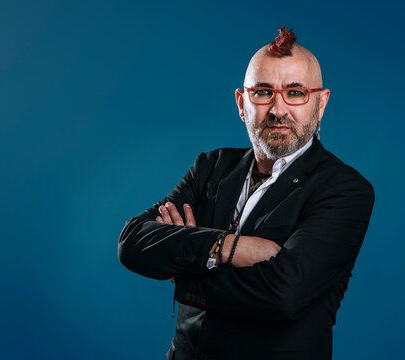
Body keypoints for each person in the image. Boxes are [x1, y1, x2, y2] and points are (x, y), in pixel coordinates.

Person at [118, 27, 374, 360]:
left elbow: (283, 294)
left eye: (295, 93)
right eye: (263, 92)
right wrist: (227, 247)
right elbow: (132, 242)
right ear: (242, 102)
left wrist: (184, 270)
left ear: (320, 103)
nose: (278, 109)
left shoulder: (345, 190)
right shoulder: (211, 167)